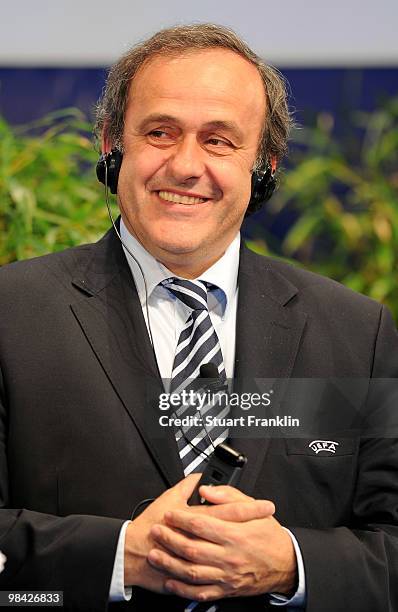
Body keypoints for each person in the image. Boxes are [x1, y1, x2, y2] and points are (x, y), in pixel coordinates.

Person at [0, 23, 397, 612]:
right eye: (160, 132)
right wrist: (120, 555)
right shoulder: (11, 313)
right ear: (113, 141)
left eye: (219, 140)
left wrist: (291, 563)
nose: (186, 166)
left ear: (264, 161)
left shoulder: (357, 332)